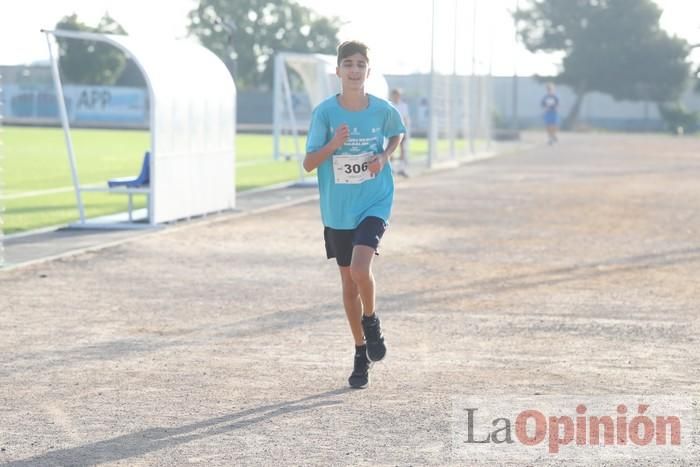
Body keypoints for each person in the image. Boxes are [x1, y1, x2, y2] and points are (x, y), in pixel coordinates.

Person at [303, 40, 405, 389]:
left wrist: (384, 157)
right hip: (338, 207)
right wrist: (334, 144)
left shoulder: (382, 109)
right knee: (348, 283)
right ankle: (361, 351)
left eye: (360, 64)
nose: (354, 70)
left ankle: (371, 320)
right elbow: (308, 163)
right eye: (348, 64)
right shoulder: (325, 114)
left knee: (361, 268)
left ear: (368, 71)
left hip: (374, 200)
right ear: (338, 70)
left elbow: (397, 133)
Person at [389, 88, 411, 177]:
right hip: (391, 130)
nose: (396, 97)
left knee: (402, 150)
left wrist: (405, 130)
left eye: (398, 95)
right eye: (395, 95)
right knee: (391, 149)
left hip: (401, 131)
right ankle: (392, 169)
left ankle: (402, 169)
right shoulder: (390, 105)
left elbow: (405, 118)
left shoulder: (403, 106)